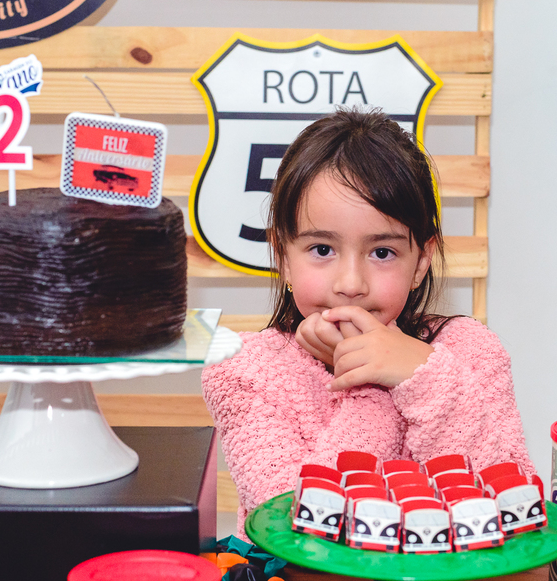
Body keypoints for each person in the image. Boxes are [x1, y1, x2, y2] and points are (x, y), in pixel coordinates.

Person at [202, 108, 535, 537]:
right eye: (322, 249)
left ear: (421, 262)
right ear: (282, 255)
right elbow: (296, 528)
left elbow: (507, 507)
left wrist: (422, 374)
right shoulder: (244, 371)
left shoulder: (471, 353)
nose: (351, 283)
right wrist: (371, 381)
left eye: (382, 253)